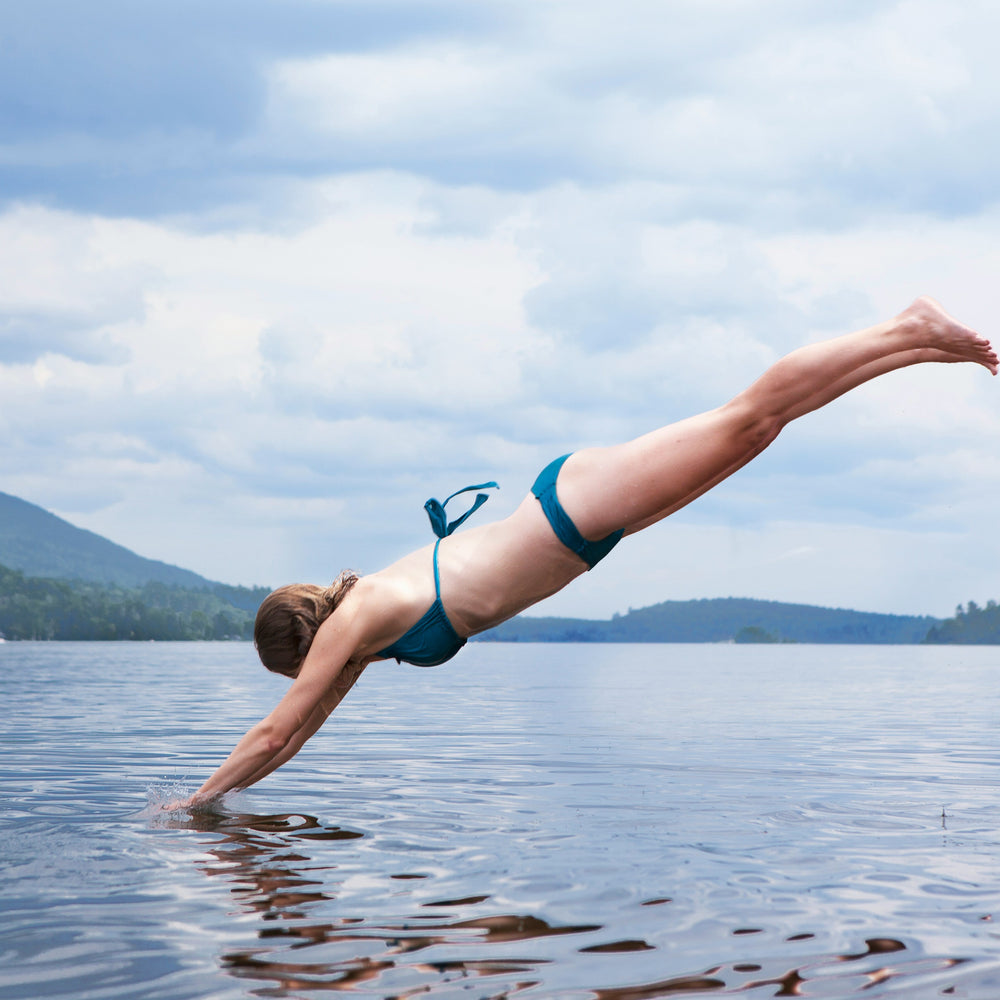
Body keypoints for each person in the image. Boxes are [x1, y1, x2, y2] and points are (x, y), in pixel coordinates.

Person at [172, 297, 996, 808]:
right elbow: (303, 728)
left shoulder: (358, 619)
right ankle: (916, 348)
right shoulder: (359, 631)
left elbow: (276, 733)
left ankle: (908, 328)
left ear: (305, 645)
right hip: (585, 527)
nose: (307, 684)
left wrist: (194, 801)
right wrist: (219, 806)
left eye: (297, 670)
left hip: (573, 510)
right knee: (760, 434)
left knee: (747, 416)